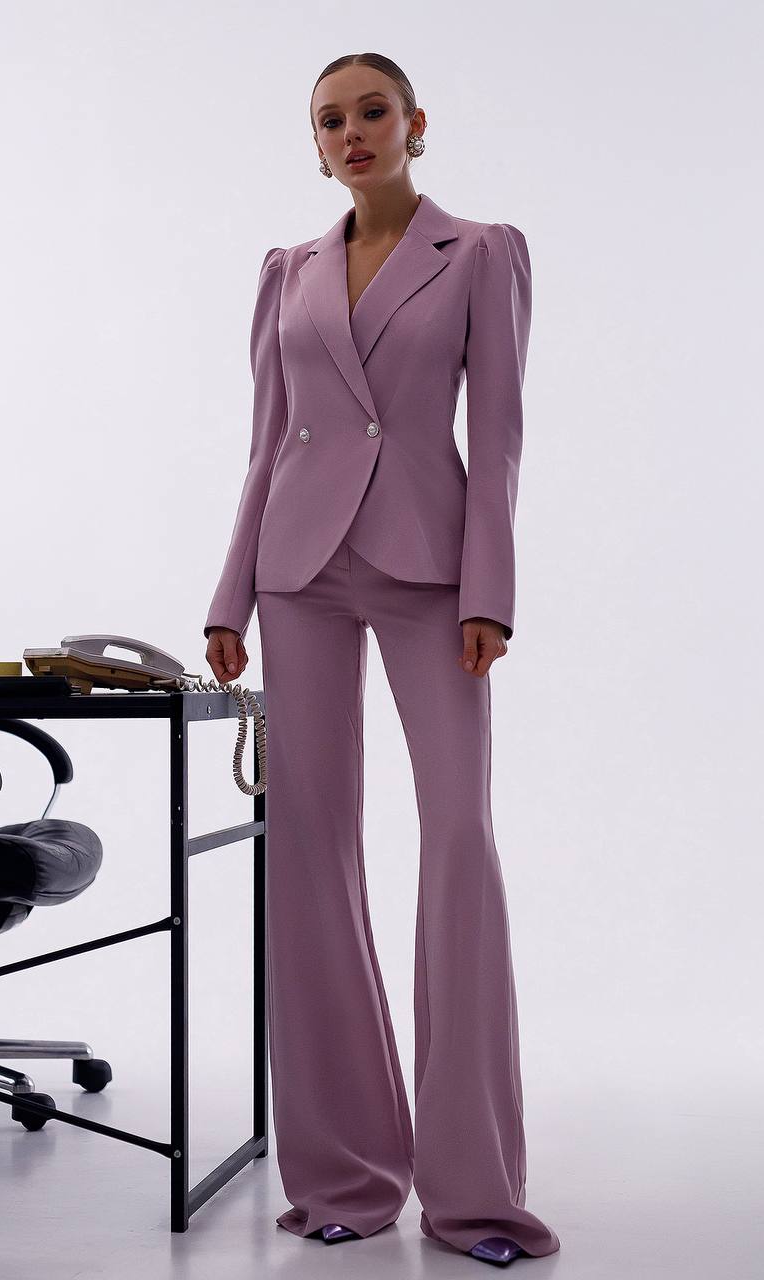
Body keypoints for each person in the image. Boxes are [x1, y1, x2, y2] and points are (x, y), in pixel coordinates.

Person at [202, 51, 561, 1267]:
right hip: (297, 573)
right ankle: (346, 1173)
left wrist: (490, 594)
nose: (350, 134)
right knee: (311, 851)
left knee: (457, 836)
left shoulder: (484, 253)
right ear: (315, 147)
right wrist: (226, 596)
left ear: (414, 125)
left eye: (369, 114)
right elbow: (262, 446)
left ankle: (473, 1195)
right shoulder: (285, 272)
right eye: (328, 121)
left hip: (429, 573)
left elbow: (499, 437)